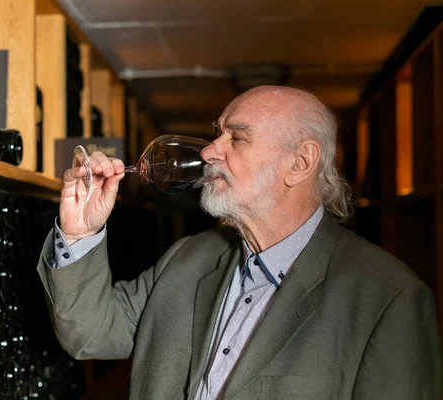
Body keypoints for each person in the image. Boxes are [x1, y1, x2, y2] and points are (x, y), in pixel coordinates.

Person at [37, 85, 442, 399]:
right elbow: (89, 335)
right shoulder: (189, 256)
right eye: (218, 134)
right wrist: (79, 231)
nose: (211, 150)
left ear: (300, 163)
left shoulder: (390, 298)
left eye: (237, 138)